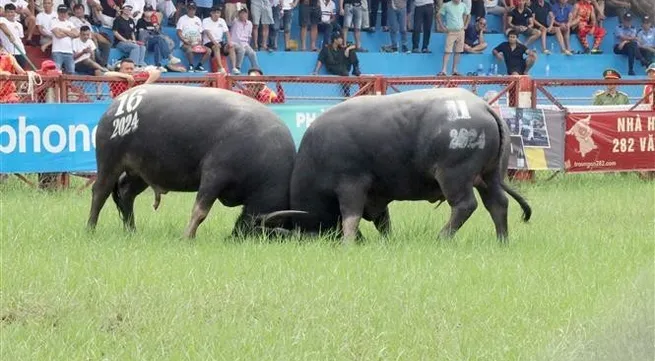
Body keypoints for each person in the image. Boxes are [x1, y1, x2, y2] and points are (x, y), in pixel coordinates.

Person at [436, 0, 470, 76]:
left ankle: (454, 70)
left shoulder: (463, 5)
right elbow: (438, 15)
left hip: (460, 31)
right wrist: (442, 27)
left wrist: (466, 25)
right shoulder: (447, 5)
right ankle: (444, 70)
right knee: (447, 51)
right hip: (451, 31)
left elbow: (468, 15)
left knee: (458, 51)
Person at [176, 1, 211, 72]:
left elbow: (201, 33)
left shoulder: (198, 19)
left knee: (209, 50)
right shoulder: (182, 19)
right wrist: (185, 41)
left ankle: (199, 66)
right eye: (190, 9)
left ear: (195, 10)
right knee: (189, 49)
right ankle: (191, 66)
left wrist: (199, 42)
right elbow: (179, 32)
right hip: (185, 43)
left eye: (193, 9)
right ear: (187, 9)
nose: (192, 11)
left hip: (196, 43)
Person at [202, 5, 236, 74]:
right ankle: (221, 68)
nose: (216, 14)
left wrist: (229, 42)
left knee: (231, 47)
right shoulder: (206, 20)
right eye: (214, 12)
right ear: (211, 13)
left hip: (220, 42)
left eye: (218, 12)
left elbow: (227, 32)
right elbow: (208, 34)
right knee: (216, 47)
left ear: (220, 14)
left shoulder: (222, 20)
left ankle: (234, 68)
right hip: (208, 42)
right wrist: (215, 43)